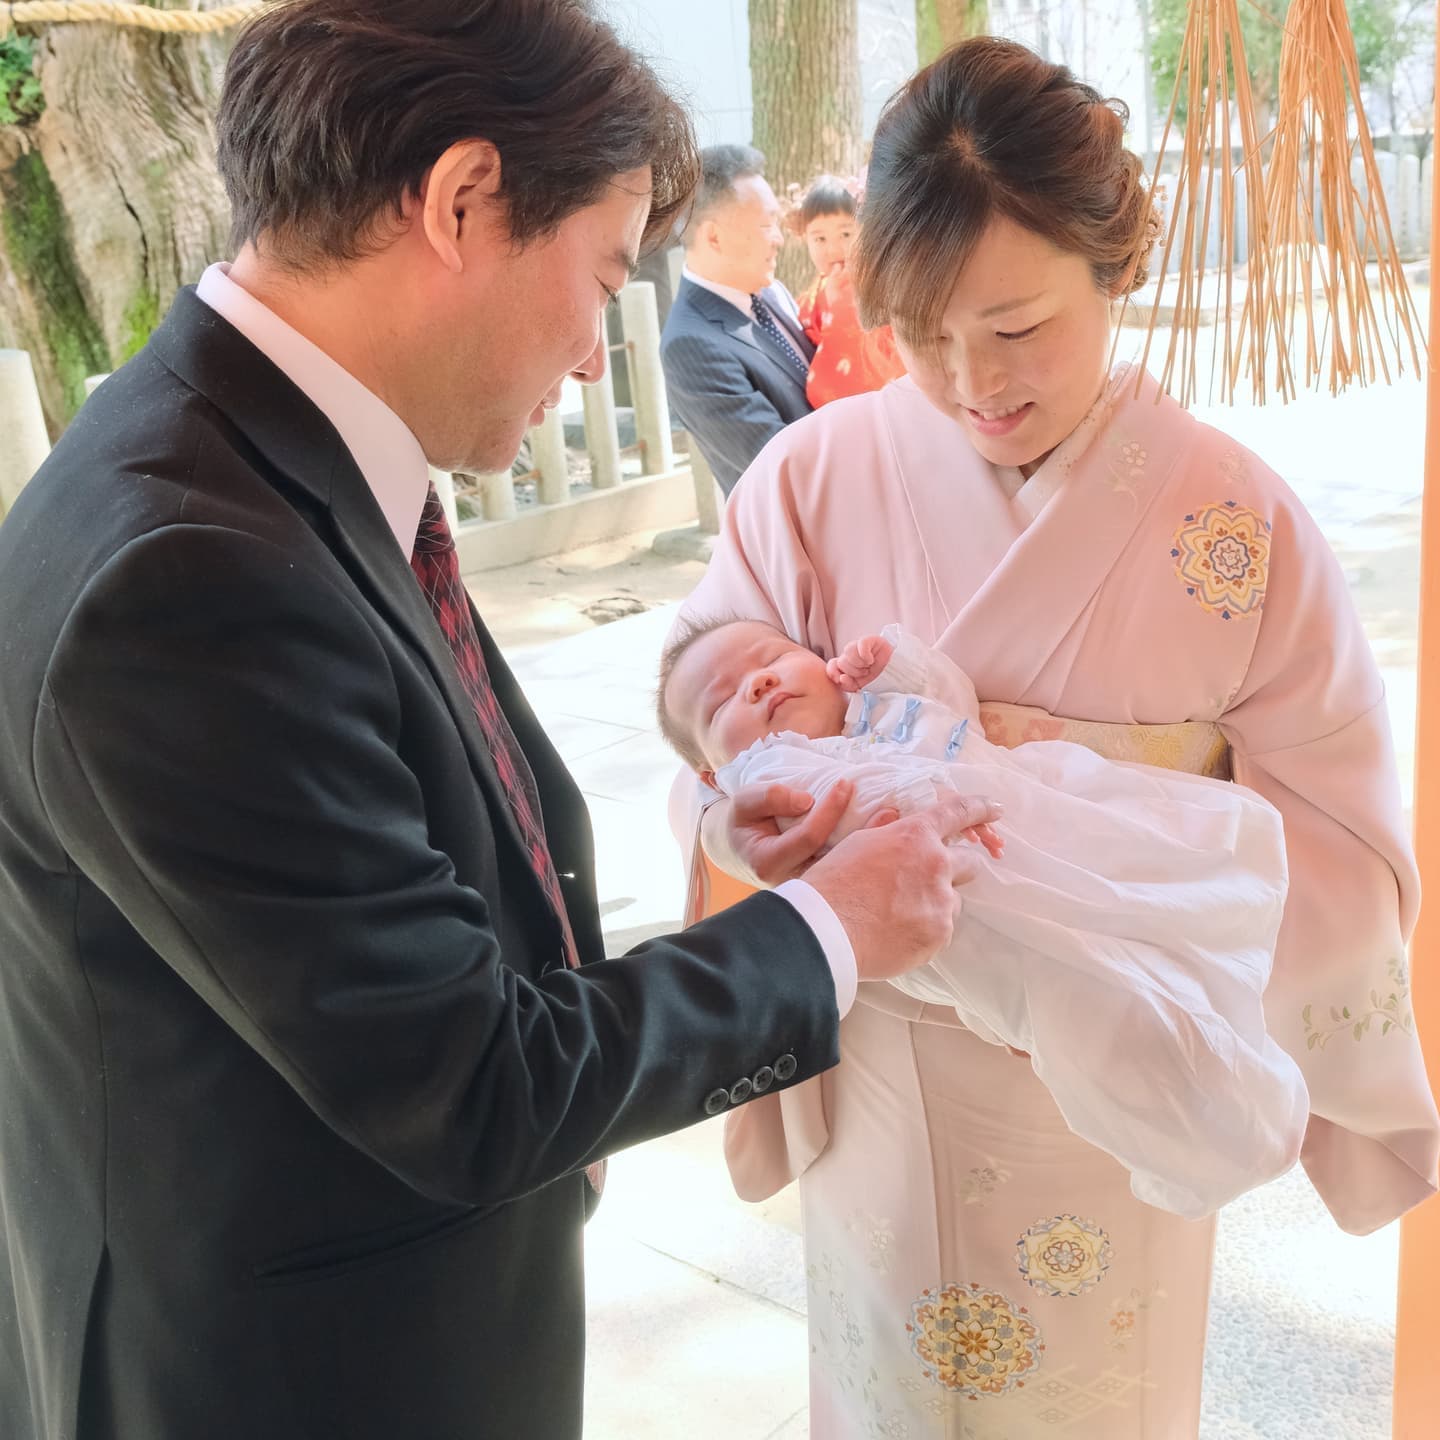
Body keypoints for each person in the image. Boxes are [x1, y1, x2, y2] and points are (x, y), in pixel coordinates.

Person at [0, 5, 1005, 1438]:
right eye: (603, 276)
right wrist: (831, 929)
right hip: (291, 1377)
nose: (597, 355)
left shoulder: (253, 463)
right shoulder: (188, 573)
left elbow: (406, 873)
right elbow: (470, 1079)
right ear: (464, 198)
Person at [671, 36, 1440, 1437]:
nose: (973, 379)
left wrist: (1114, 866)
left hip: (1116, 1090)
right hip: (880, 1059)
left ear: (1111, 265)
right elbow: (704, 705)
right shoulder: (809, 478)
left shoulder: (1237, 524)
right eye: (923, 332)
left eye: (1019, 328)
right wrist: (749, 781)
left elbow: (1343, 842)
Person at [658, 615, 1308, 1220]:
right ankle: (1223, 1132)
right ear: (712, 775)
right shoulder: (775, 771)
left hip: (1045, 816)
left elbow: (952, 703)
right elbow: (846, 810)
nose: (757, 683)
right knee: (1106, 1002)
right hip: (970, 899)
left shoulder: (881, 708)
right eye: (721, 702)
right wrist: (915, 798)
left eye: (771, 658)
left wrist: (895, 665)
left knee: (1171, 883)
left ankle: (1235, 1064)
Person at [660, 144, 814, 496]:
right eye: (766, 225)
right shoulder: (690, 346)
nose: (779, 239)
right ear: (713, 236)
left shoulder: (770, 290)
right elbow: (782, 467)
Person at [790, 175, 906, 407]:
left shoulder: (884, 285)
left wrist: (842, 305)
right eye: (820, 238)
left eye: (845, 234)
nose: (833, 249)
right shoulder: (810, 297)